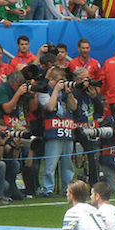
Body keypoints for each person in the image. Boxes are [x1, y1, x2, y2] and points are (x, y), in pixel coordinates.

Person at [38, 67, 77, 197]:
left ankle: (68, 188)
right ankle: (48, 189)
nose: (63, 83)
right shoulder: (44, 92)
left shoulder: (66, 93)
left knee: (68, 165)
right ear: (52, 80)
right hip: (53, 132)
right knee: (50, 165)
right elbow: (50, 107)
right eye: (60, 80)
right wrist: (55, 91)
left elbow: (74, 107)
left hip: (67, 132)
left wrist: (70, 93)